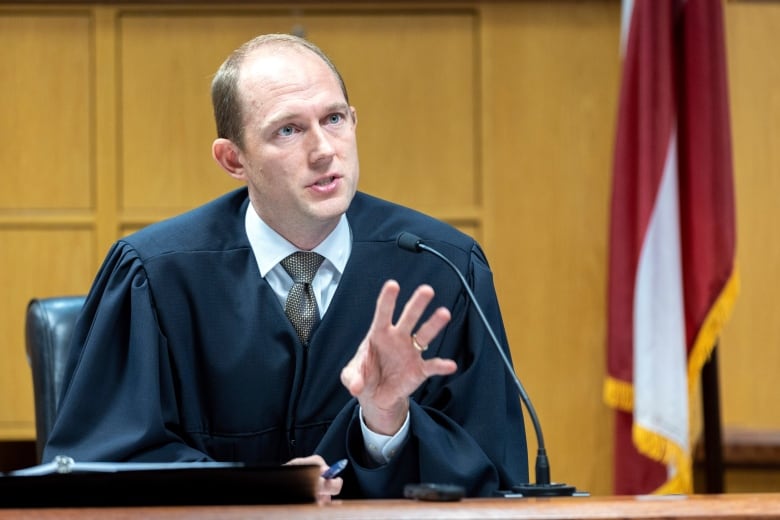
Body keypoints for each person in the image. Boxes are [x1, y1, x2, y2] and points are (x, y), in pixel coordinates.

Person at [43, 33, 528, 500]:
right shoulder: (155, 275)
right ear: (234, 159)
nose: (323, 150)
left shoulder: (442, 268)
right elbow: (99, 469)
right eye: (288, 130)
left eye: (334, 119)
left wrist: (386, 422)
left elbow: (491, 474)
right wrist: (256, 490)